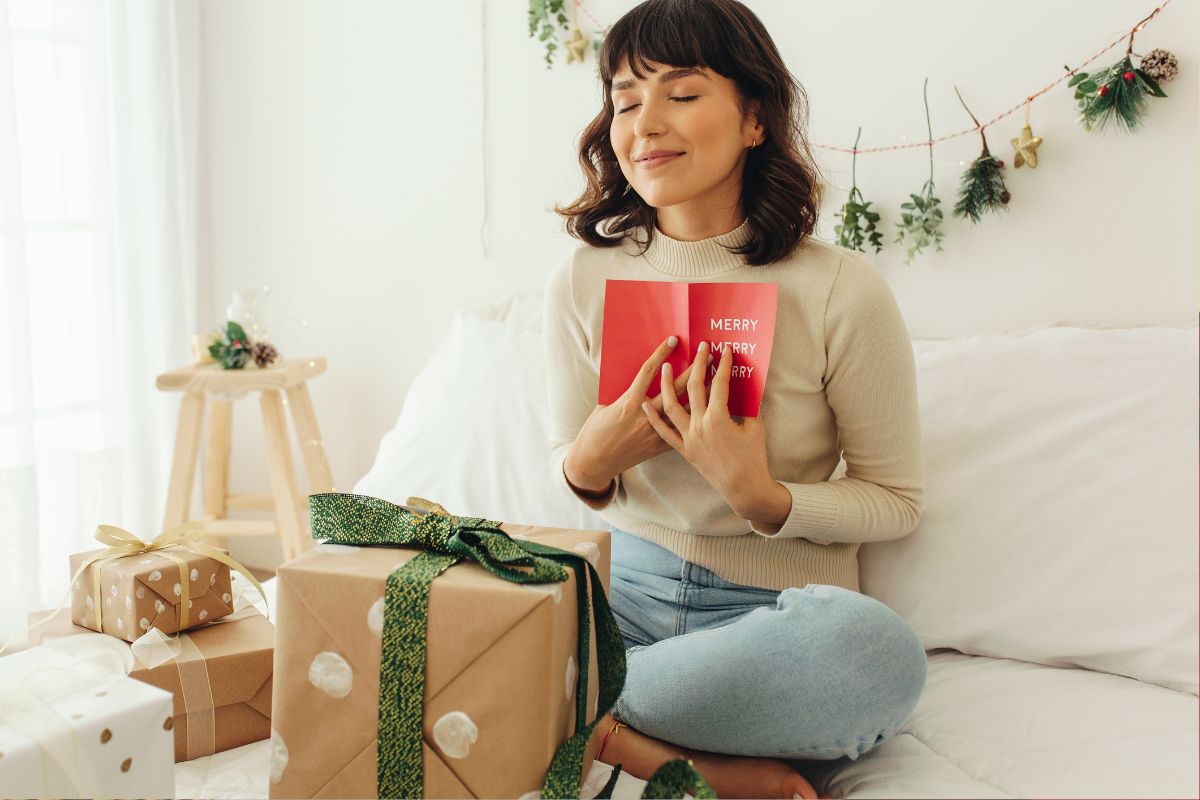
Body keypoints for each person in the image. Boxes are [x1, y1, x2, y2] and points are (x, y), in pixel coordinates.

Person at [543, 1, 928, 797]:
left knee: (877, 654)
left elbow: (895, 501)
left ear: (755, 117)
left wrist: (763, 495)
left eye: (681, 94)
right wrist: (594, 457)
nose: (644, 122)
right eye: (624, 99)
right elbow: (566, 461)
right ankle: (669, 756)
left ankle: (577, 712)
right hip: (628, 596)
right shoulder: (583, 276)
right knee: (427, 611)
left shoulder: (839, 289)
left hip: (777, 617)